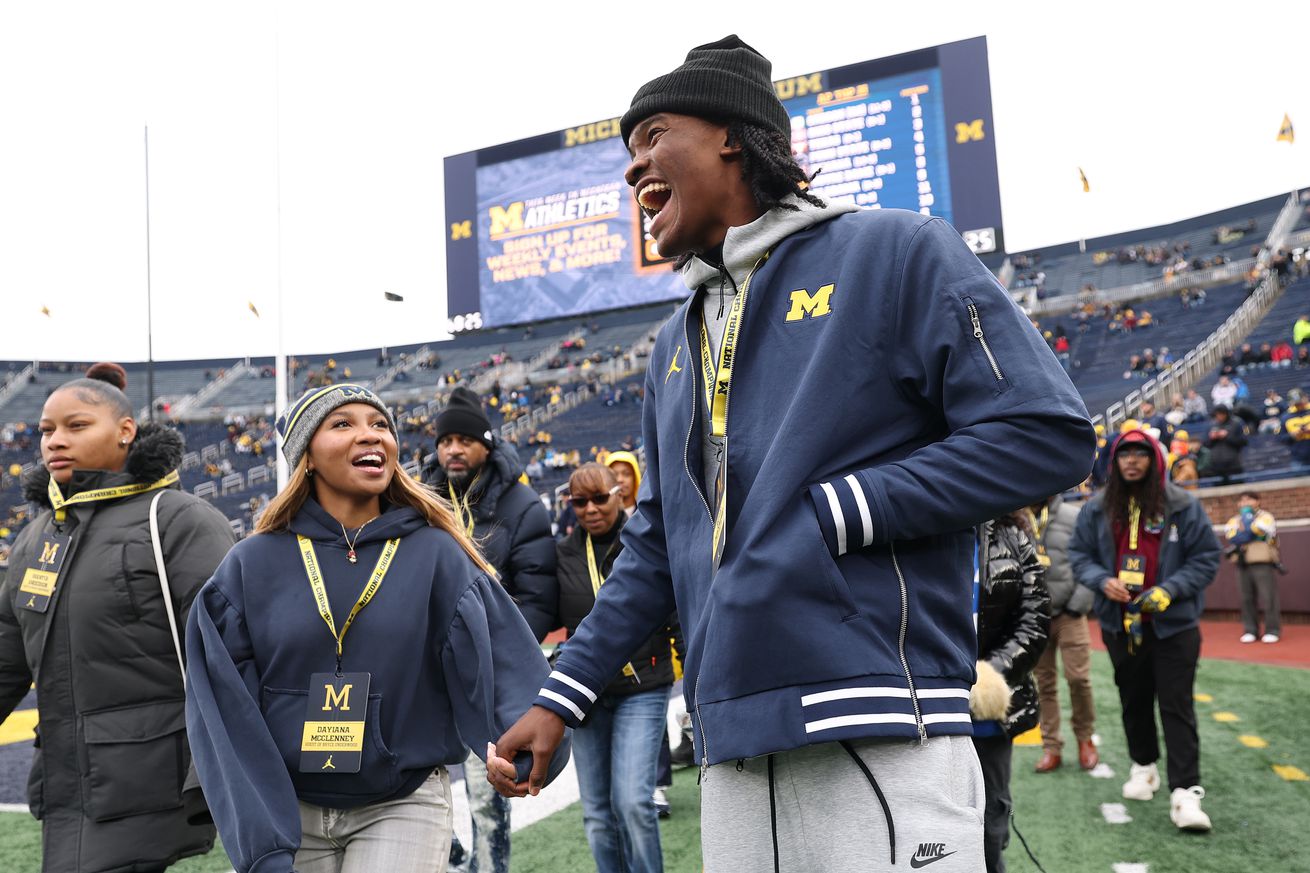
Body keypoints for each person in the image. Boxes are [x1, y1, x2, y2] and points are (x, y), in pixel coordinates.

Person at [487, 35, 1095, 873]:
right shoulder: (673, 341)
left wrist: (837, 511)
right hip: (732, 741)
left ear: (732, 136)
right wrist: (564, 694)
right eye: (628, 153)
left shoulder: (893, 248)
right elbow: (657, 547)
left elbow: (1046, 432)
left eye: (652, 135)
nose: (633, 170)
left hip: (880, 725)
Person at [184, 384, 570, 873]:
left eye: (380, 424)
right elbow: (223, 704)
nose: (371, 435)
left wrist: (517, 756)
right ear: (307, 455)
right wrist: (259, 832)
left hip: (402, 802)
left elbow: (505, 662)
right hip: (287, 810)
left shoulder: (437, 555)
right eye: (343, 424)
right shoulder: (248, 565)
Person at [0, 363, 235, 872]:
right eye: (46, 431)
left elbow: (228, 654)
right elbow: (7, 656)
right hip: (65, 782)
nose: (55, 441)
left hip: (151, 783)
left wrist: (213, 774)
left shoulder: (178, 519)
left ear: (126, 431)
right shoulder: (35, 537)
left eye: (76, 426)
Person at [422, 385, 558, 873]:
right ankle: (449, 852)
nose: (452, 449)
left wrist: (495, 654)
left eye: (463, 439)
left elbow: (538, 598)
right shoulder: (417, 501)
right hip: (427, 673)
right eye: (444, 441)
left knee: (487, 798)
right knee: (416, 782)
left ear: (486, 444)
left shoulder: (522, 505)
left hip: (488, 674)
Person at [1069, 428, 1220, 832]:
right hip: (1122, 625)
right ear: (1114, 462)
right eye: (1124, 454)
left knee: (1176, 704)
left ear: (1155, 459)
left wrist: (1171, 589)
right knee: (1133, 700)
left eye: (1140, 453)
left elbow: (1206, 557)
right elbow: (1079, 555)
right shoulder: (1097, 507)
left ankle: (1186, 792)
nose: (1132, 460)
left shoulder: (1183, 505)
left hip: (1175, 627)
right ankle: (1144, 767)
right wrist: (1102, 580)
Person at [556, 464, 676, 873]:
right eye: (579, 502)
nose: (590, 509)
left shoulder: (645, 543)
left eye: (599, 498)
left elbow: (674, 608)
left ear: (620, 495)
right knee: (596, 816)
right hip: (587, 696)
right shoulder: (561, 554)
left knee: (633, 803)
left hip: (644, 686)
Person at [971, 514, 1049, 873]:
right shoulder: (916, 526)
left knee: (990, 822)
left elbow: (1034, 620)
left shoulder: (1012, 534)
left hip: (989, 715)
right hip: (923, 711)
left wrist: (991, 675)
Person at [605, 450, 676, 817]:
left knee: (654, 714)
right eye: (613, 473)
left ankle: (658, 784)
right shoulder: (601, 524)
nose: (621, 479)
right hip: (622, 632)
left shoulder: (649, 513)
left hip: (653, 635)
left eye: (626, 472)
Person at [1027, 494, 1098, 774]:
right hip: (1035, 617)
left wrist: (1078, 604)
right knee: (1043, 684)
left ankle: (1085, 738)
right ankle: (1051, 746)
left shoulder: (1073, 515)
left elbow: (1091, 559)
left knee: (1078, 678)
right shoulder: (1015, 517)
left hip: (1070, 613)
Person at [1224, 492, 1281, 643]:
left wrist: (1247, 525)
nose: (1245, 503)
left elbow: (1259, 530)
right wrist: (1247, 532)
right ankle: (1251, 630)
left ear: (1258, 501)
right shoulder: (1234, 519)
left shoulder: (1266, 516)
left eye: (1249, 499)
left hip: (1262, 560)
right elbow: (1233, 536)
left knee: (1268, 597)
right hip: (1242, 562)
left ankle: (1272, 630)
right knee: (1246, 598)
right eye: (1242, 500)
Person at [1204, 405, 1247, 481]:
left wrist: (1227, 436)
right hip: (1216, 465)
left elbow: (1243, 442)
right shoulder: (1211, 426)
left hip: (1233, 465)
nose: (1219, 416)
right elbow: (1206, 444)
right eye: (1217, 414)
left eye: (1221, 414)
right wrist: (1212, 438)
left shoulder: (1236, 424)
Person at [605, 450, 642, 518]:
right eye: (614, 474)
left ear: (635, 477)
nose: (620, 480)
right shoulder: (601, 516)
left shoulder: (647, 513)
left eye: (626, 474)